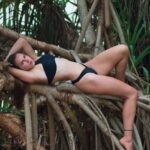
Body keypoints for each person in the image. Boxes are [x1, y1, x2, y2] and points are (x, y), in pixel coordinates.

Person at [5, 37, 138, 150]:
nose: (27, 60)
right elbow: (12, 70)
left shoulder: (35, 59)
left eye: (24, 56)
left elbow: (22, 41)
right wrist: (7, 67)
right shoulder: (32, 75)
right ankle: (127, 137)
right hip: (84, 79)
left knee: (123, 49)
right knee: (132, 94)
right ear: (20, 70)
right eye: (23, 63)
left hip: (88, 67)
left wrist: (6, 60)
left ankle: (120, 88)